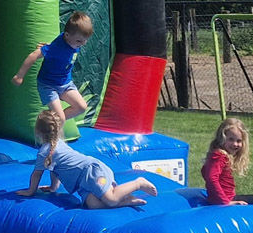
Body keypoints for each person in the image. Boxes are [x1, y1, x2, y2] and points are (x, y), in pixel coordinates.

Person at [15, 109, 158, 209]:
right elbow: (54, 168)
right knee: (93, 205)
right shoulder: (55, 145)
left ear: (38, 131)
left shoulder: (45, 152)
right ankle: (126, 200)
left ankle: (138, 183)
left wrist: (30, 191)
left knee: (111, 199)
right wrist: (53, 187)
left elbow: (37, 174)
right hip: (83, 183)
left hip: (93, 173)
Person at [12, 11, 92, 121]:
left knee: (81, 107)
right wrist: (19, 75)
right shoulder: (56, 48)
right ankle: (55, 124)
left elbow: (60, 44)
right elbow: (33, 55)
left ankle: (51, 122)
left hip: (65, 83)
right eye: (79, 41)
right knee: (60, 118)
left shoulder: (72, 41)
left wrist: (48, 45)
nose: (82, 44)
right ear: (67, 35)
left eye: (85, 40)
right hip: (48, 85)